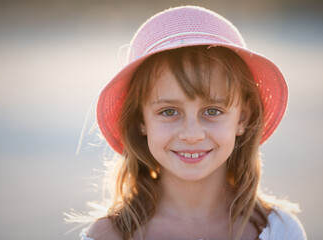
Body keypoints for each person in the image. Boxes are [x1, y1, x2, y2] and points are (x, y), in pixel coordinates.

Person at [79, 5, 307, 240]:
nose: (192, 134)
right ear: (140, 120)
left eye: (212, 110)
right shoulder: (109, 235)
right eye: (169, 112)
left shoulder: (281, 231)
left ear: (242, 118)